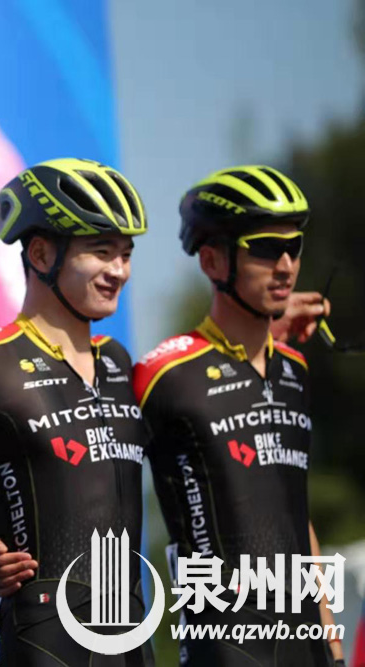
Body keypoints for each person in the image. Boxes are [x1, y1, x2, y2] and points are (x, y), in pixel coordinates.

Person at [0, 159, 153, 666]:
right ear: (40, 254)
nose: (119, 271)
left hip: (132, 635)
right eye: (101, 251)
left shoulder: (118, 361)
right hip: (45, 640)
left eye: (126, 254)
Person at [133, 165, 342, 666]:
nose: (286, 266)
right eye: (266, 249)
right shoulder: (164, 373)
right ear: (211, 260)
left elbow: (294, 512)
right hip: (224, 646)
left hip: (307, 646)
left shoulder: (293, 368)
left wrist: (332, 642)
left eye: (294, 248)